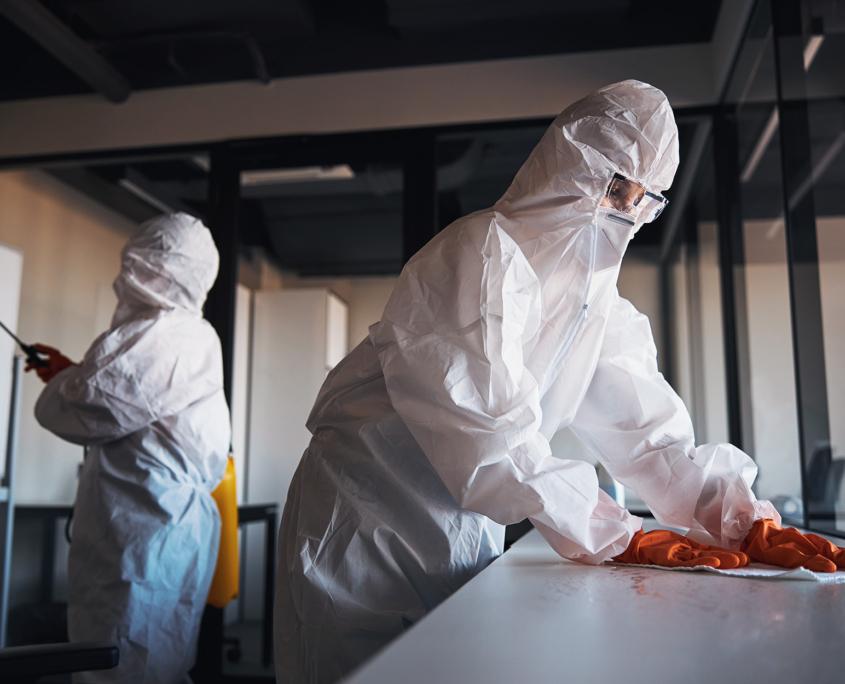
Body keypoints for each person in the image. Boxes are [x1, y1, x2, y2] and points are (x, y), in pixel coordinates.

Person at [274, 80, 840, 684]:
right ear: (570, 160)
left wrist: (741, 517)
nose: (623, 209)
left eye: (642, 199)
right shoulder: (481, 253)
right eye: (615, 184)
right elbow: (489, 438)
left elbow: (651, 439)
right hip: (359, 523)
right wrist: (613, 533)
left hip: (457, 530)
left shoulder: (598, 311)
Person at [28, 213, 231, 684]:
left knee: (123, 662)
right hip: (153, 526)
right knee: (150, 660)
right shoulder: (186, 335)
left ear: (165, 270)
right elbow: (120, 400)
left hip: (144, 532)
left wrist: (65, 379)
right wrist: (71, 372)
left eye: (140, 265)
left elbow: (81, 407)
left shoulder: (165, 335)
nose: (127, 277)